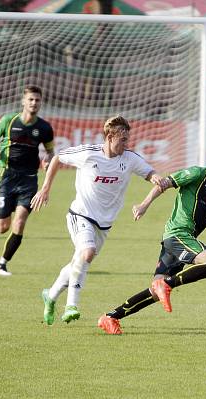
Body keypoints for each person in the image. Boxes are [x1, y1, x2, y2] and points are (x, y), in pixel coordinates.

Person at [97, 142, 206, 335]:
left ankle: (110, 317)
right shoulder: (198, 174)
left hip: (180, 239)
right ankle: (166, 285)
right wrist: (144, 205)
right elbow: (164, 184)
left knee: (154, 292)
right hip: (178, 234)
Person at [31, 115, 169, 325]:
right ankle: (71, 306)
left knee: (80, 261)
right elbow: (58, 157)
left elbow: (148, 172)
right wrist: (45, 188)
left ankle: (50, 296)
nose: (126, 143)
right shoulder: (88, 154)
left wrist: (155, 178)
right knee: (86, 253)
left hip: (104, 223)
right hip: (80, 214)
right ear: (109, 137)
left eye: (127, 139)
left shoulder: (129, 158)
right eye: (122, 139)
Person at [0, 85, 55, 276]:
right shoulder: (8, 121)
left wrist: (48, 161)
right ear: (23, 101)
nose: (34, 103)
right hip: (7, 177)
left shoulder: (45, 128)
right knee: (3, 226)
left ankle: (2, 264)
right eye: (30, 99)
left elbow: (50, 152)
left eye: (37, 100)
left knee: (20, 222)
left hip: (29, 180)